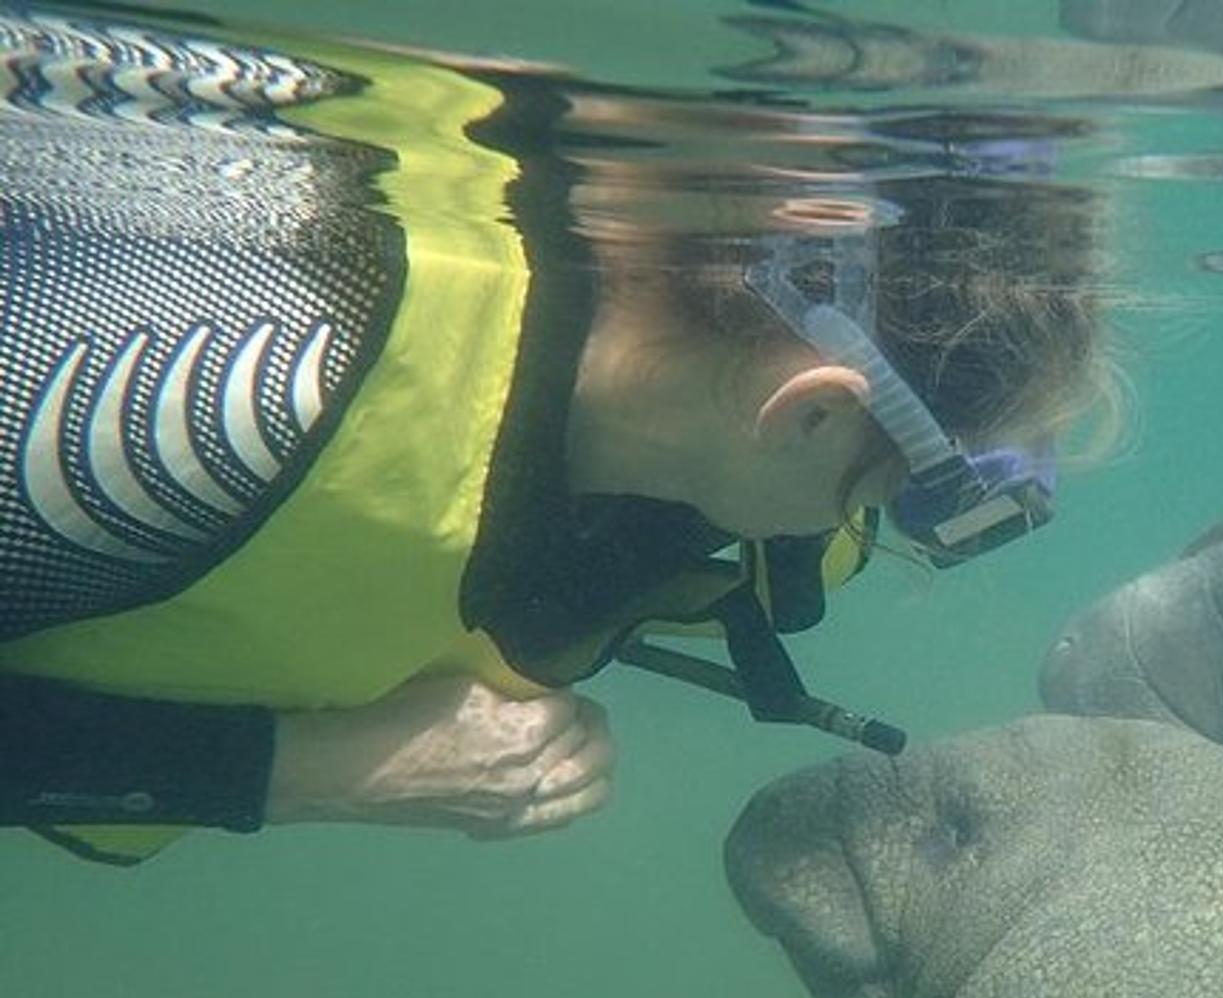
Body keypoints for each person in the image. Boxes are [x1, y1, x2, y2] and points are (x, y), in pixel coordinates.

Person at [0, 5, 1113, 863]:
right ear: (806, 411)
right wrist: (308, 770)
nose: (855, 536)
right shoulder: (198, 404)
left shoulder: (710, 446)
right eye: (864, 502)